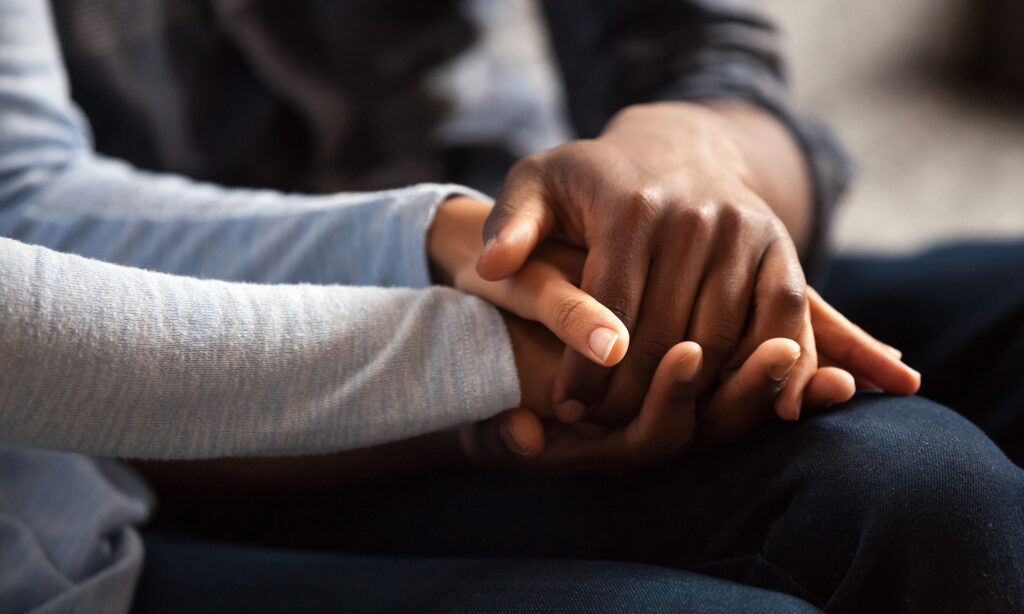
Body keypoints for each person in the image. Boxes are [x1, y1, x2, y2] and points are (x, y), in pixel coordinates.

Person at [0, 1, 1021, 613]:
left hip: (533, 261)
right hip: (191, 396)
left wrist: (694, 161)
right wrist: (501, 347)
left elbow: (707, 61)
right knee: (913, 490)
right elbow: (30, 218)